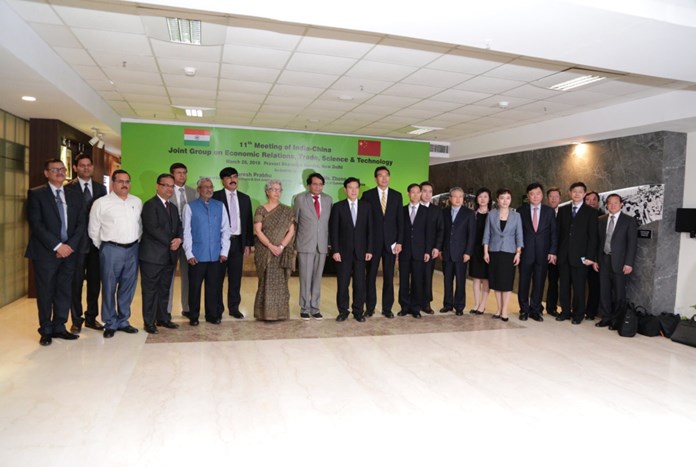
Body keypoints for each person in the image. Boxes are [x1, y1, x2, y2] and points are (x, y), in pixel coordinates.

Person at [26, 158, 86, 346]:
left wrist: (69, 246)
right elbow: (36, 224)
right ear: (46, 173)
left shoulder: (74, 194)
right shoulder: (36, 194)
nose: (60, 172)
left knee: (64, 290)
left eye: (62, 169)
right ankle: (46, 330)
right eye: (54, 170)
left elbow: (81, 223)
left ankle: (60, 326)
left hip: (69, 252)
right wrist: (58, 246)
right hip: (46, 253)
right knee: (46, 291)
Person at [89, 169, 142, 338]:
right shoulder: (101, 203)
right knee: (109, 287)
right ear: (113, 183)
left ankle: (123, 321)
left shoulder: (136, 201)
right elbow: (93, 230)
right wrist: (104, 247)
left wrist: (135, 242)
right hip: (111, 250)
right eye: (120, 181)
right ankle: (110, 322)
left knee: (128, 287)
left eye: (127, 181)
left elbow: (140, 225)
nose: (124, 185)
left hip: (132, 249)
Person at [65, 154, 106, 333]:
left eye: (89, 165)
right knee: (75, 283)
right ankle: (76, 319)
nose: (86, 168)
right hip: (76, 244)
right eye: (82, 165)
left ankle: (91, 317)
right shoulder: (67, 189)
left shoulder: (100, 189)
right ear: (75, 168)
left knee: (95, 283)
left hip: (96, 243)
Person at [182, 178, 230, 326]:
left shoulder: (220, 206)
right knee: (194, 288)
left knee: (213, 288)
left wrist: (224, 251)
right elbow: (186, 232)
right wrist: (189, 253)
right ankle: (194, 316)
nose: (209, 190)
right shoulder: (190, 207)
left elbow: (225, 230)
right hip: (197, 256)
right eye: (205, 187)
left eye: (211, 187)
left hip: (216, 256)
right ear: (198, 190)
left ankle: (212, 315)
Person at [139, 174, 183, 334]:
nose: (169, 189)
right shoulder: (150, 205)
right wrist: (172, 241)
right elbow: (153, 228)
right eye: (166, 185)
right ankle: (149, 322)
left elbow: (179, 226)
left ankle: (163, 318)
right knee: (150, 291)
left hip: (169, 256)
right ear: (157, 186)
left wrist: (179, 239)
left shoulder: (173, 207)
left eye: (172, 186)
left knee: (164, 289)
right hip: (152, 257)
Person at [361, 166, 404, 318]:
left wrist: (399, 241)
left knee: (389, 277)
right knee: (370, 277)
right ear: (375, 179)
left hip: (391, 244)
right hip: (372, 244)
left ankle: (387, 308)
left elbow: (400, 221)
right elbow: (364, 222)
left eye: (386, 175)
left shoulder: (397, 196)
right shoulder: (367, 195)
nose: (384, 178)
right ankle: (370, 307)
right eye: (380, 175)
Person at [330, 177, 373, 322]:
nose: (353, 190)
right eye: (350, 188)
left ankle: (358, 311)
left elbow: (370, 230)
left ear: (359, 189)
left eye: (356, 187)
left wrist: (369, 250)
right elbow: (334, 231)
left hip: (361, 252)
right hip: (343, 253)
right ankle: (343, 311)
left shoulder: (366, 207)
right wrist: (335, 250)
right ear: (345, 190)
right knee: (343, 284)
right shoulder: (338, 207)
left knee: (360, 284)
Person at [213, 167, 253, 319]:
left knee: (235, 278)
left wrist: (248, 243)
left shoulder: (245, 198)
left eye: (235, 176)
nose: (232, 179)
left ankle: (234, 307)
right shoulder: (215, 197)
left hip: (238, 243)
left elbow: (248, 222)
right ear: (222, 180)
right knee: (217, 278)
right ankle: (217, 309)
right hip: (220, 244)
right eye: (229, 177)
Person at [555, 182, 598, 325]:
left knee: (579, 287)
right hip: (563, 255)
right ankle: (565, 312)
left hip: (581, 257)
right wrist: (555, 252)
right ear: (570, 193)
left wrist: (590, 257)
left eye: (580, 191)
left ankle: (578, 314)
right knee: (564, 286)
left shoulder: (591, 212)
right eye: (574, 191)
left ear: (584, 194)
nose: (577, 194)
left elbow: (593, 237)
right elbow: (557, 233)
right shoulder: (563, 210)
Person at [253, 180, 296, 321]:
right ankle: (264, 313)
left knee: (281, 283)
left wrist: (281, 246)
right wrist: (271, 246)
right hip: (265, 252)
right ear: (267, 191)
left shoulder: (287, 210)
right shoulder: (261, 209)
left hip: (281, 252)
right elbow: (258, 231)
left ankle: (280, 313)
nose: (277, 192)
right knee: (265, 282)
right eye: (274, 189)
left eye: (279, 190)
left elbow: (291, 231)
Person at [594, 194, 638, 328]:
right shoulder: (601, 220)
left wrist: (629, 263)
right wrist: (595, 260)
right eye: (610, 203)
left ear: (621, 204)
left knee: (619, 293)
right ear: (606, 205)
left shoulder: (629, 221)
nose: (612, 205)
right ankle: (606, 318)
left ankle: (617, 320)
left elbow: (632, 244)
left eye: (615, 203)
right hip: (603, 259)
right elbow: (597, 242)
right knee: (604, 291)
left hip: (620, 262)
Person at [293, 172, 332, 320]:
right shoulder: (300, 199)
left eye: (320, 184)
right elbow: (295, 222)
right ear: (308, 185)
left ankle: (315, 307)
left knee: (317, 278)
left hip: (322, 245)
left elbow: (329, 223)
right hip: (305, 244)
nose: (317, 187)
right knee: (305, 278)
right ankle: (304, 307)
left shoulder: (328, 200)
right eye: (315, 184)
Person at [517, 182, 557, 322]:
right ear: (528, 196)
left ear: (542, 195)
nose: (535, 196)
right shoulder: (521, 211)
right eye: (532, 194)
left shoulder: (549, 211)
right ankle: (524, 309)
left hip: (543, 253)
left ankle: (535, 310)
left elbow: (553, 233)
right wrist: (518, 250)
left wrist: (553, 251)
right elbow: (517, 232)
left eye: (538, 193)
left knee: (539, 282)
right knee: (524, 282)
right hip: (525, 253)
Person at [483, 188, 524, 322]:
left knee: (506, 282)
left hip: (509, 253)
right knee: (496, 282)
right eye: (502, 198)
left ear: (511, 200)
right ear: (497, 200)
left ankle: (505, 310)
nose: (505, 201)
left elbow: (519, 236)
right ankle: (499, 309)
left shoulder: (516, 216)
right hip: (494, 252)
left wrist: (518, 253)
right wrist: (485, 252)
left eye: (508, 198)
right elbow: (487, 234)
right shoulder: (491, 214)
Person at [167, 162, 197, 319]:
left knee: (188, 276)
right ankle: (166, 310)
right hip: (170, 241)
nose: (182, 175)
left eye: (184, 172)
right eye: (178, 173)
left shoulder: (193, 193)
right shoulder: (167, 191)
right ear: (172, 175)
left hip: (188, 240)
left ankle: (187, 308)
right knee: (168, 276)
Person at [397, 184, 432, 319]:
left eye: (418, 192)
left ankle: (416, 308)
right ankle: (404, 307)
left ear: (421, 194)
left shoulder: (426, 211)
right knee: (403, 280)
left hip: (420, 251)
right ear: (408, 194)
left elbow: (429, 233)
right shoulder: (401, 210)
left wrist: (427, 251)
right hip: (404, 251)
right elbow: (399, 229)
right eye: (413, 192)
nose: (416, 195)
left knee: (418, 280)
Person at [440, 187, 476, 315]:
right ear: (450, 198)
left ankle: (459, 306)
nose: (458, 199)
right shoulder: (444, 212)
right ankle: (447, 304)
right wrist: (440, 249)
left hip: (461, 253)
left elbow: (471, 235)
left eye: (460, 196)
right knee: (447, 280)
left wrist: (468, 252)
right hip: (447, 252)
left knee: (460, 281)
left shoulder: (469, 213)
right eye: (455, 196)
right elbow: (441, 232)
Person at [420, 181, 444, 315]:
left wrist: (437, 247)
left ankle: (426, 303)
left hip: (430, 250)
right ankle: (413, 302)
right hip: (414, 249)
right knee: (414, 276)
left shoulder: (437, 210)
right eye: (424, 191)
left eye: (430, 192)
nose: (427, 194)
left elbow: (440, 230)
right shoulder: (413, 208)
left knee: (427, 276)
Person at [469, 188, 492, 315]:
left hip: (488, 250)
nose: (483, 199)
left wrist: (487, 251)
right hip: (475, 249)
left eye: (485, 196)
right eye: (480, 196)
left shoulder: (493, 215)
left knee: (486, 279)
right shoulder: (472, 214)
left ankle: (483, 305)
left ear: (489, 199)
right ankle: (476, 304)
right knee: (476, 278)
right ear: (477, 199)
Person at [584, 190, 602, 320]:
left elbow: (600, 240)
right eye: (588, 199)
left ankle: (591, 312)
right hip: (579, 257)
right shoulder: (578, 215)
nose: (591, 202)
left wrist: (595, 258)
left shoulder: (602, 217)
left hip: (595, 258)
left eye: (594, 199)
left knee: (594, 286)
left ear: (598, 202)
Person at [544, 187, 562, 317]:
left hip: (556, 254)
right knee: (538, 280)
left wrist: (554, 251)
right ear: (547, 198)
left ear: (560, 199)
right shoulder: (542, 212)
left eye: (556, 196)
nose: (554, 199)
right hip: (541, 252)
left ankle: (551, 307)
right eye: (551, 196)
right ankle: (536, 306)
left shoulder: (564, 213)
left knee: (553, 281)